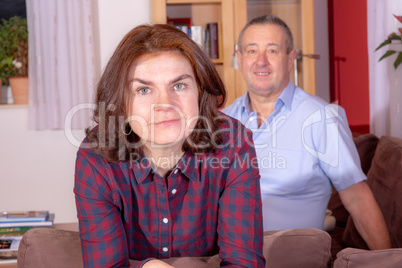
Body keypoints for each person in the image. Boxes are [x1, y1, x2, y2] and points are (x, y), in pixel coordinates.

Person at [74, 24, 265, 268]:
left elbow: (244, 263)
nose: (165, 104)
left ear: (200, 92)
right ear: (121, 103)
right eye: (143, 89)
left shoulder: (234, 145)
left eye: (179, 85)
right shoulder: (96, 158)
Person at [222, 14, 391, 250]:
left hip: (291, 257)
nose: (260, 61)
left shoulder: (321, 117)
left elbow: (356, 196)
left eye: (272, 51)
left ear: (291, 59)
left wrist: (388, 260)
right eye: (251, 51)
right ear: (239, 58)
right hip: (229, 256)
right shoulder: (222, 121)